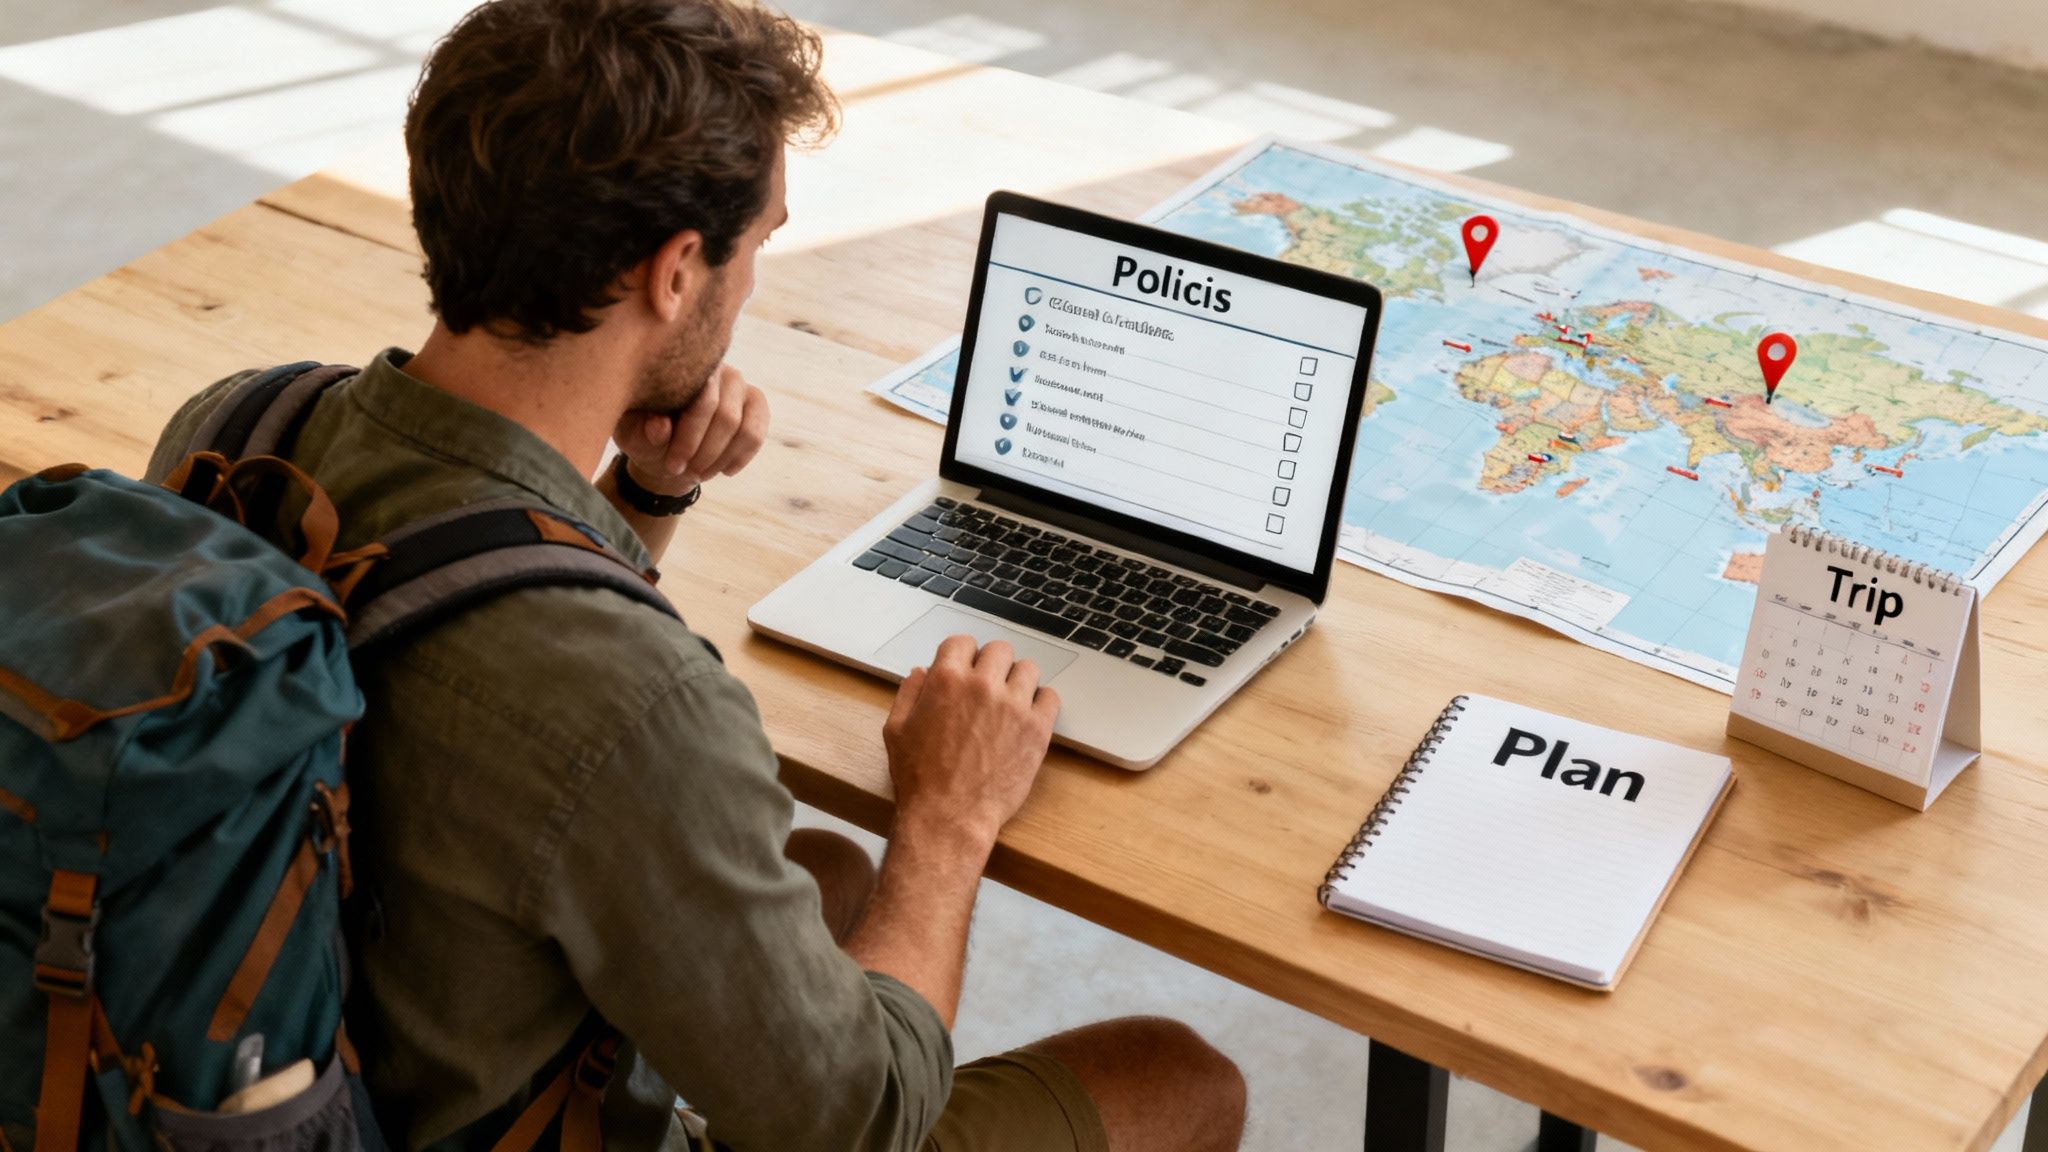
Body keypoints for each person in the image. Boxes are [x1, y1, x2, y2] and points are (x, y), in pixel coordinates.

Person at [143, 1, 1247, 1150]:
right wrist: (949, 818)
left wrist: (645, 498)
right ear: (676, 272)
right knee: (1177, 1074)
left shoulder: (236, 425)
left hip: (262, 1054)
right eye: (757, 243)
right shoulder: (638, 702)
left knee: (818, 867)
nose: (753, 281)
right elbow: (855, 1117)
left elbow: (448, 636)